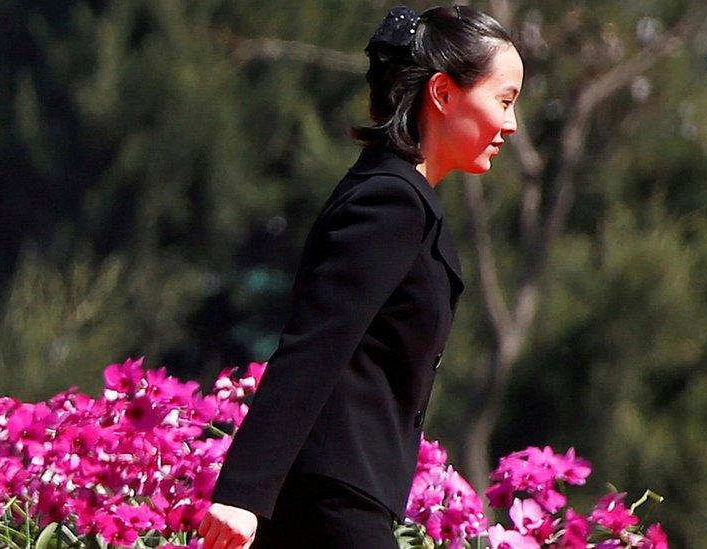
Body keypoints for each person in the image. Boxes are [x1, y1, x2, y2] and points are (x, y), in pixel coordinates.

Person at [198, 5, 523, 548]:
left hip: (346, 497)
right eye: (505, 101)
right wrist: (243, 493)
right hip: (330, 504)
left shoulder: (402, 198)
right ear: (442, 94)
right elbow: (315, 344)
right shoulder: (390, 200)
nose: (511, 124)